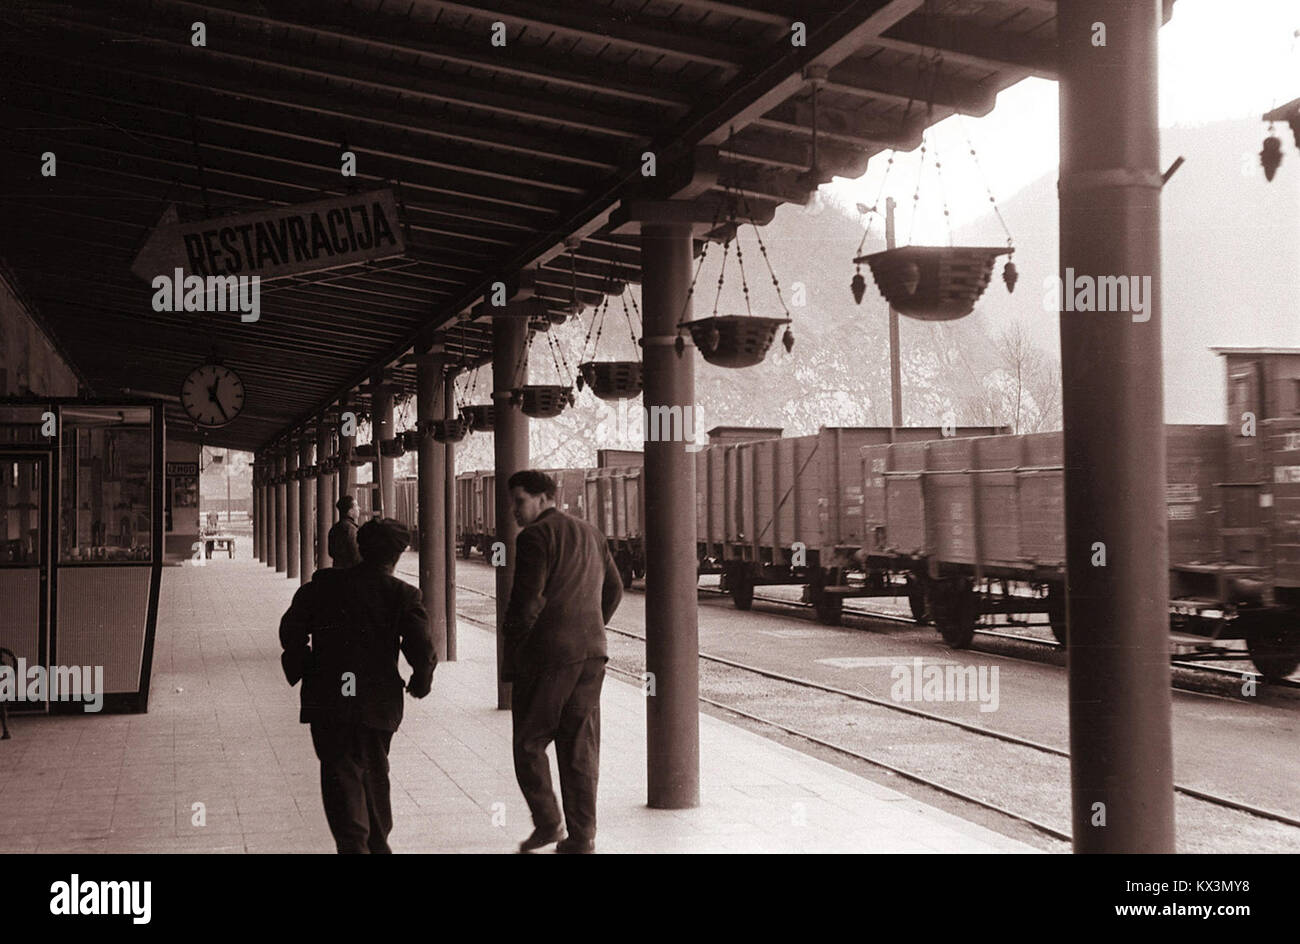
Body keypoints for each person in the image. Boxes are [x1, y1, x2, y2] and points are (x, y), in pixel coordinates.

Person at [278, 518, 435, 854]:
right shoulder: (402, 595)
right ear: (399, 554)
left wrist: (304, 665)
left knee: (340, 774)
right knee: (374, 773)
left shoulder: (321, 586)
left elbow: (290, 630)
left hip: (328, 701)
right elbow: (421, 647)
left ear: (361, 548)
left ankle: (354, 846)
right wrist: (422, 679)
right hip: (377, 703)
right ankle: (377, 845)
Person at [503, 469, 623, 854]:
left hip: (549, 656)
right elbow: (615, 589)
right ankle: (582, 838)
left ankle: (548, 822)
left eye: (519, 501)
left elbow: (526, 602)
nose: (514, 511)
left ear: (541, 498)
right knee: (579, 746)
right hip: (591, 654)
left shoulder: (535, 536)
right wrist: (590, 625)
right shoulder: (591, 533)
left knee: (529, 743)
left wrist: (515, 654)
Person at [327, 495, 361, 568]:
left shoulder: (334, 529)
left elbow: (331, 552)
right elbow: (356, 556)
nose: (359, 508)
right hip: (351, 572)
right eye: (356, 506)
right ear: (350, 511)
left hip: (338, 570)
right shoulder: (352, 529)